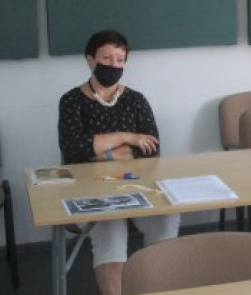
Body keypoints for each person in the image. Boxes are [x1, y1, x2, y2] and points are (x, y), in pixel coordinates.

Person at [58, 30, 180, 295]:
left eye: (120, 59)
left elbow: (151, 149)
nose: (113, 65)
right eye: (106, 58)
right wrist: (127, 137)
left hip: (137, 186)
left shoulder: (135, 100)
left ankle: (159, 288)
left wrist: (99, 151)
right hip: (90, 190)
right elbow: (73, 149)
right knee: (109, 227)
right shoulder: (71, 101)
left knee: (166, 219)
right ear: (90, 60)